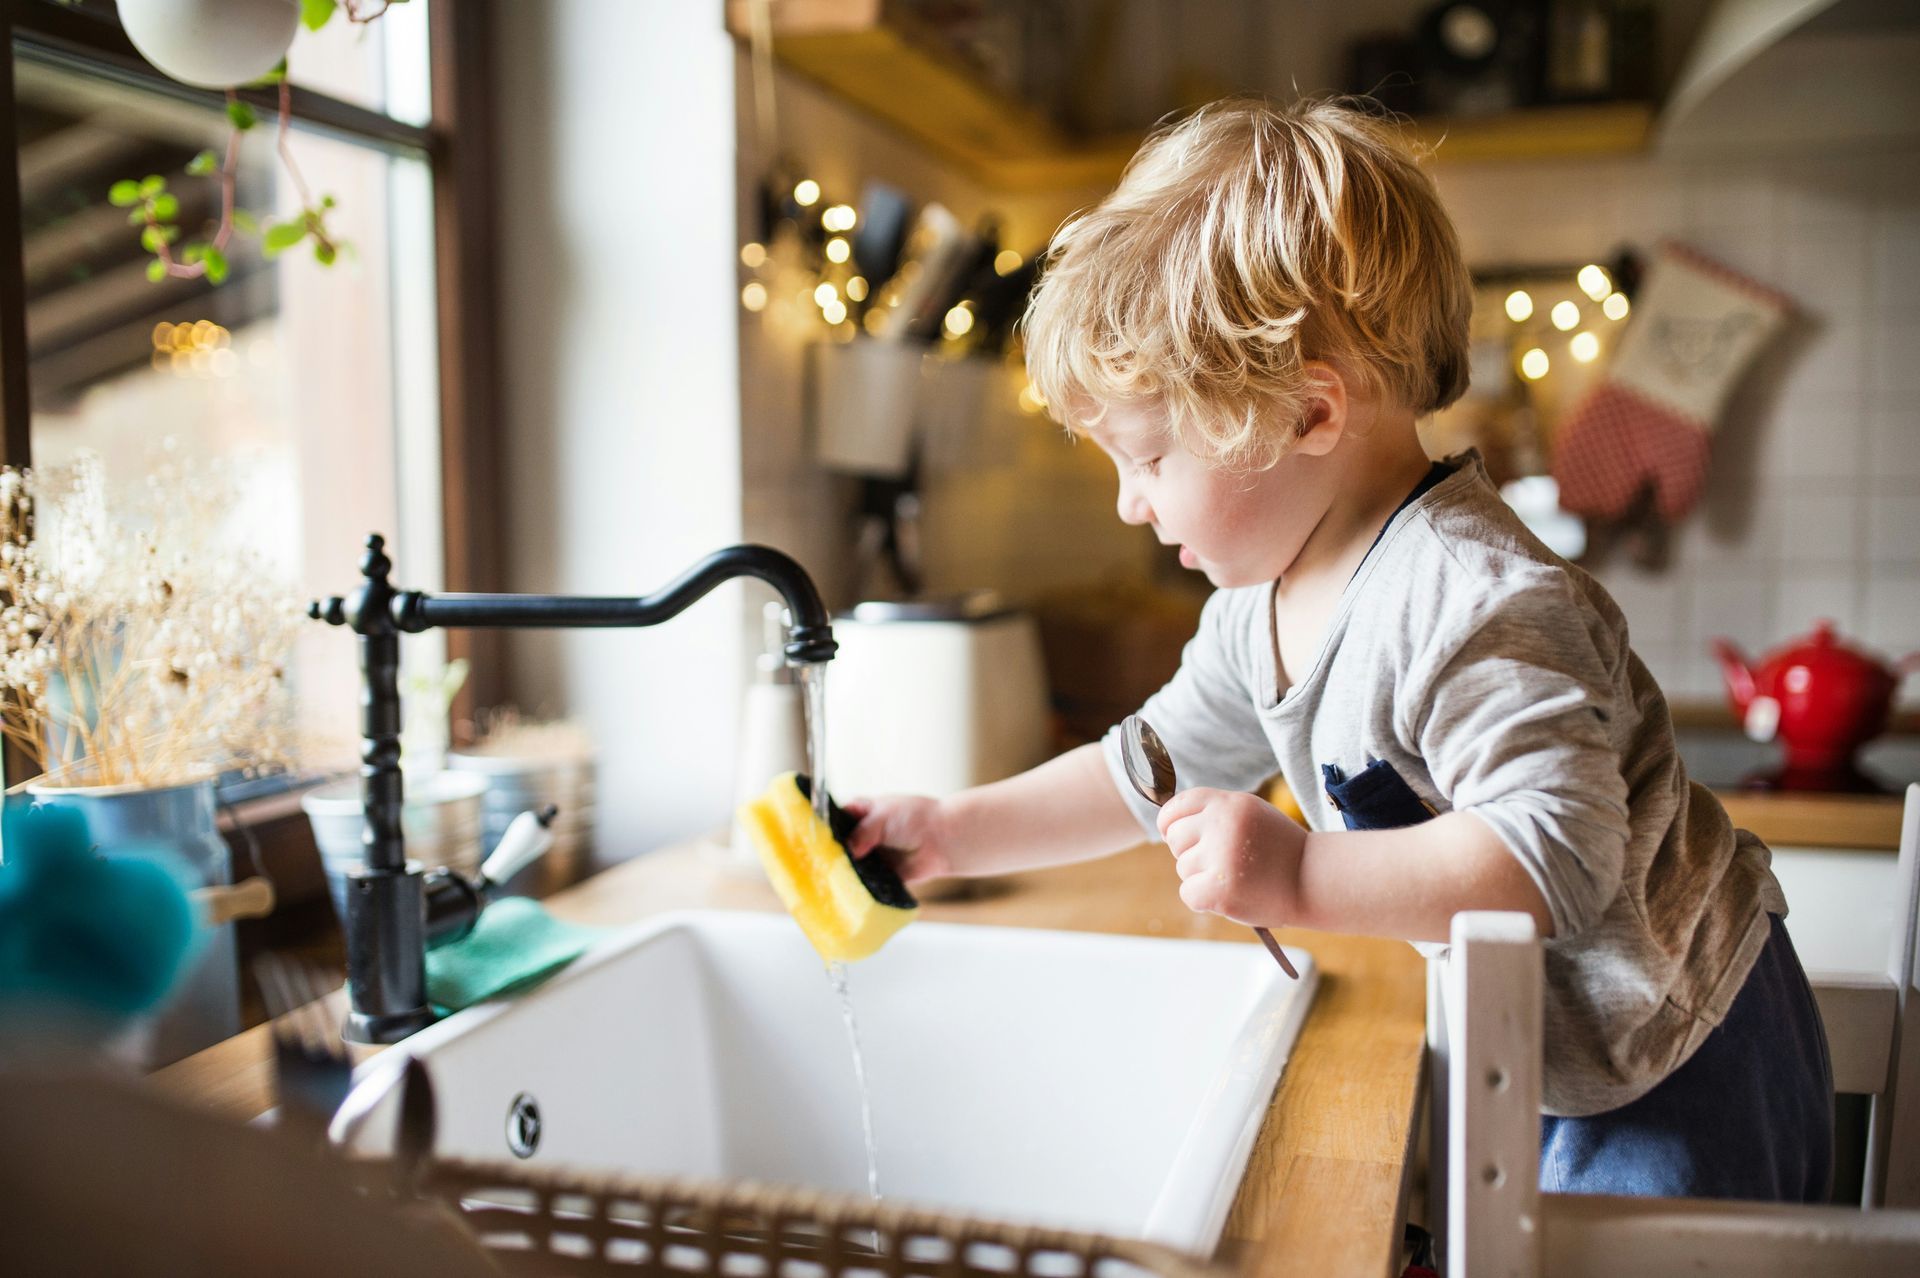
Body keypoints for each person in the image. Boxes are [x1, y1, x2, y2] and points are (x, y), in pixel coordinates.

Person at [844, 97, 1832, 1202]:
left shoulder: (1464, 595)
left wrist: (1301, 870)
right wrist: (947, 831)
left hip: (1682, 1049)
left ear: (1312, 415)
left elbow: (1557, 854)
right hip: (1567, 1054)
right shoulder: (1262, 603)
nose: (1130, 505)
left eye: (1152, 456)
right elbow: (1146, 765)